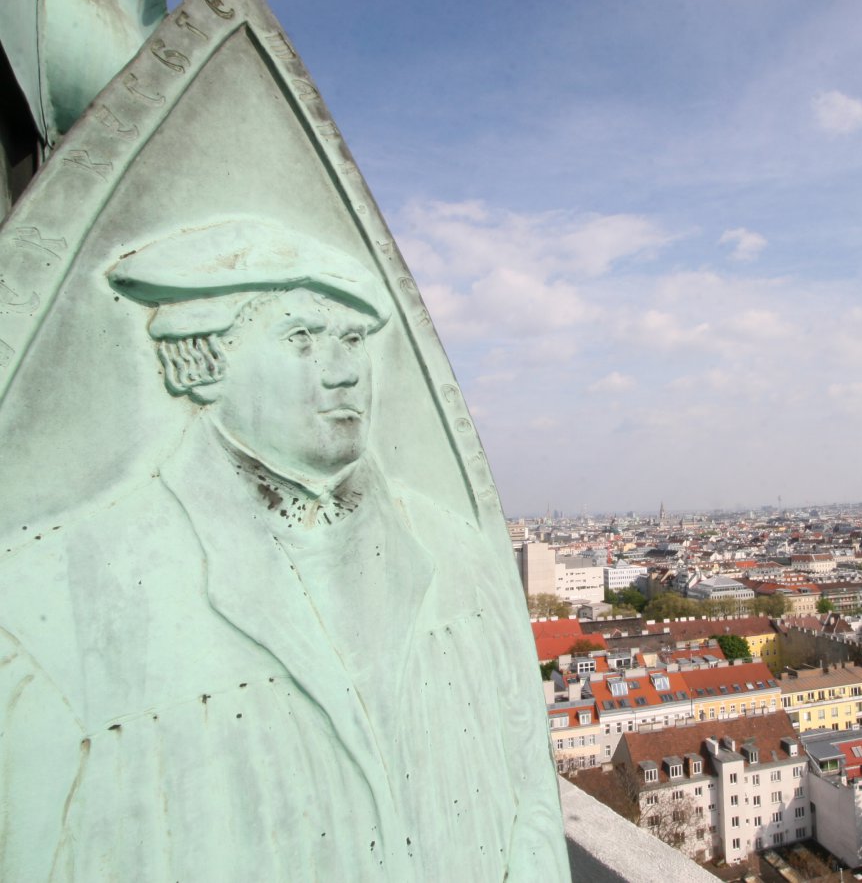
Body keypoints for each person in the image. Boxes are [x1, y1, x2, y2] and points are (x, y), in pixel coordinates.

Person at [0, 220, 568, 881]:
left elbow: (531, 798)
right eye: (301, 339)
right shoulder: (50, 606)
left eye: (353, 339)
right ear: (202, 363)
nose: (345, 372)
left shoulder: (457, 552)